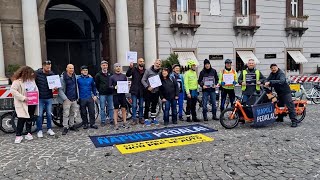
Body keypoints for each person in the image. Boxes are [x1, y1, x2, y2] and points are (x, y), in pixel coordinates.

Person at [10, 66, 39, 143]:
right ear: (25, 73)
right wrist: (23, 97)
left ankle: (28, 133)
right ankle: (18, 135)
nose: (32, 75)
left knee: (30, 118)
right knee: (21, 119)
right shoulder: (17, 81)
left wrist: (35, 96)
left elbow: (35, 89)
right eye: (31, 74)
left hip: (32, 102)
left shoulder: (32, 80)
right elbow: (13, 90)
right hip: (23, 103)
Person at [35, 60, 56, 138]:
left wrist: (55, 88)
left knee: (49, 114)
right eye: (47, 67)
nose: (49, 69)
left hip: (49, 97)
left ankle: (49, 129)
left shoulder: (52, 74)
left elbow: (54, 85)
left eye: (50, 67)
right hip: (40, 97)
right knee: (39, 115)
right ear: (43, 66)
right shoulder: (37, 74)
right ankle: (39, 130)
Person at [58, 64, 79, 135]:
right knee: (66, 114)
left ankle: (71, 125)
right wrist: (65, 98)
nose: (71, 70)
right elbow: (60, 90)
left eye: (72, 68)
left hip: (74, 98)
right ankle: (65, 127)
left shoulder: (75, 76)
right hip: (67, 99)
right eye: (70, 68)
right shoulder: (62, 78)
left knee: (72, 113)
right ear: (66, 69)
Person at [141, 59, 162, 126]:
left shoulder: (160, 72)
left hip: (156, 91)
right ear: (154, 63)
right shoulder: (148, 70)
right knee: (147, 105)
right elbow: (143, 80)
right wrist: (147, 87)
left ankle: (153, 118)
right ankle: (146, 119)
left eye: (159, 64)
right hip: (148, 91)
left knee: (154, 105)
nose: (158, 65)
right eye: (157, 63)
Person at [109, 63, 129, 130]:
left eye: (119, 66)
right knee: (116, 110)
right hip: (115, 95)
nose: (118, 68)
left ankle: (125, 122)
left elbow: (126, 84)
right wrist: (114, 87)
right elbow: (109, 86)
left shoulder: (124, 76)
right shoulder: (112, 77)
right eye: (116, 66)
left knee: (124, 109)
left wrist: (127, 86)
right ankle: (116, 124)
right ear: (114, 68)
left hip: (122, 95)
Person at [126, 58, 145, 125]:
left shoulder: (145, 71)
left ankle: (140, 118)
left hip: (142, 90)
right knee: (134, 105)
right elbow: (128, 74)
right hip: (134, 90)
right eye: (140, 61)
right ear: (137, 62)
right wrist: (130, 68)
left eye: (143, 61)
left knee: (141, 106)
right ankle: (134, 119)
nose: (142, 62)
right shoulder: (134, 69)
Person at [95, 60, 114, 126]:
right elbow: (97, 84)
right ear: (101, 66)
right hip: (102, 94)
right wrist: (100, 90)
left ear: (107, 66)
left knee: (111, 107)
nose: (105, 66)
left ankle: (111, 119)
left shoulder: (111, 74)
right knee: (102, 108)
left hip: (110, 93)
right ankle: (103, 120)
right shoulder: (98, 75)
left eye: (106, 65)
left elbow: (113, 82)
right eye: (103, 65)